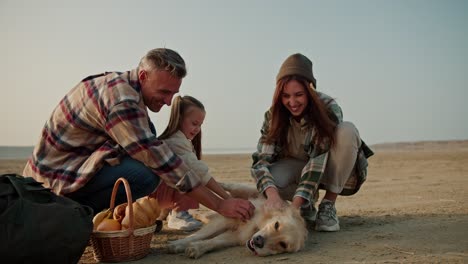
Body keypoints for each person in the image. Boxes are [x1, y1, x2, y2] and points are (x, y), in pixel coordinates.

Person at [23, 48, 254, 222]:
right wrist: (220, 205)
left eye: (173, 94)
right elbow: (161, 161)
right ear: (143, 76)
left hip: (73, 165)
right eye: (163, 92)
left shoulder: (125, 86)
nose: (167, 102)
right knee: (146, 175)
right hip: (53, 181)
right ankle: (71, 215)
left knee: (152, 139)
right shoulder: (122, 101)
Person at [251, 53, 373, 232]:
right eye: (286, 96)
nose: (292, 102)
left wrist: (294, 209)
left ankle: (328, 205)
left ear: (310, 90)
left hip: (329, 168)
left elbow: (317, 161)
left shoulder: (328, 108)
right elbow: (261, 161)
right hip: (296, 167)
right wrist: (273, 196)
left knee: (347, 130)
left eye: (298, 95)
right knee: (270, 181)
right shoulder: (272, 116)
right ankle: (307, 205)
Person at [151, 95, 232, 231]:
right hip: (153, 196)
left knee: (185, 175)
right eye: (194, 124)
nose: (197, 129)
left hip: (157, 194)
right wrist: (226, 198)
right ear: (179, 119)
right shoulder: (176, 142)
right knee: (190, 177)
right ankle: (178, 214)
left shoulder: (181, 141)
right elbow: (200, 173)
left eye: (200, 125)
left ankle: (166, 213)